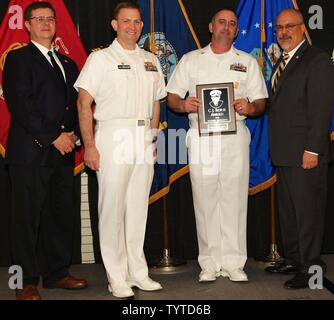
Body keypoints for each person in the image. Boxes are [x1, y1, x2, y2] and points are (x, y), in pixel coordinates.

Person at [166, 9, 268, 283]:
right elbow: (172, 97)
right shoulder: (191, 60)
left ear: (236, 31)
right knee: (204, 199)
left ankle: (235, 262)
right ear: (211, 26)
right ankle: (209, 263)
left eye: (232, 24)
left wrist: (251, 106)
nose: (226, 27)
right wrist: (183, 104)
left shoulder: (247, 62)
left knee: (235, 199)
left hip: (235, 138)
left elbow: (261, 102)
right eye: (221, 22)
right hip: (202, 138)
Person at [75, 1, 166, 298]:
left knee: (138, 208)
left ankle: (137, 272)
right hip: (113, 134)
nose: (133, 26)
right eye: (126, 21)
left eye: (137, 21)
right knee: (112, 209)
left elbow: (156, 101)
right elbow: (83, 103)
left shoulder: (151, 59)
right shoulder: (101, 58)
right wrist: (89, 145)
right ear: (114, 25)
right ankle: (116, 276)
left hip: (142, 136)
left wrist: (152, 137)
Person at [2, 1, 88, 300]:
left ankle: (57, 273)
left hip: (62, 153)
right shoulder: (18, 59)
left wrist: (74, 135)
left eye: (50, 19)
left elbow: (77, 105)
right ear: (27, 24)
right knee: (25, 221)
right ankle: (22, 282)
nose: (46, 23)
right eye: (38, 19)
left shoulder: (67, 63)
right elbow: (21, 104)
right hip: (29, 153)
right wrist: (53, 136)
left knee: (59, 215)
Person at [265, 9, 334, 289]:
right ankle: (294, 259)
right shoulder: (284, 60)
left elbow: (321, 109)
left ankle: (311, 268)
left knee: (308, 214)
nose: (284, 32)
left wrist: (313, 150)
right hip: (284, 153)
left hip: (306, 153)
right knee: (290, 212)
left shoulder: (316, 60)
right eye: (279, 27)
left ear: (303, 28)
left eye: (289, 26)